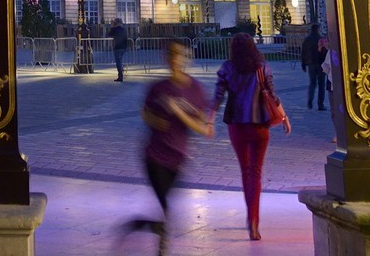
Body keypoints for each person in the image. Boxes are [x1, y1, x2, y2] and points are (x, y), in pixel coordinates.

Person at [122, 39, 212, 255]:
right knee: (165, 206)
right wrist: (152, 120)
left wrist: (178, 112)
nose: (174, 58)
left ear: (186, 58)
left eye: (179, 54)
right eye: (170, 54)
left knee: (165, 207)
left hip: (178, 157)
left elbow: (206, 129)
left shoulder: (196, 90)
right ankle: (161, 246)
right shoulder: (157, 88)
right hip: (154, 154)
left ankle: (144, 225)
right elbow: (145, 113)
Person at [214, 32, 290, 241]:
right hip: (260, 127)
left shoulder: (227, 68)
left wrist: (209, 118)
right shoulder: (262, 66)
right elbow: (271, 94)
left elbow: (218, 95)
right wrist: (283, 117)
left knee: (245, 171)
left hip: (237, 126)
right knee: (255, 172)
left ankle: (251, 218)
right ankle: (253, 221)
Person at [301, 23, 327, 110]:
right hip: (320, 64)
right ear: (318, 29)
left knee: (312, 83)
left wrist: (303, 65)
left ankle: (310, 101)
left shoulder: (307, 40)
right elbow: (324, 52)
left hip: (311, 64)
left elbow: (303, 53)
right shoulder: (321, 39)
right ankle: (320, 104)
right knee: (321, 84)